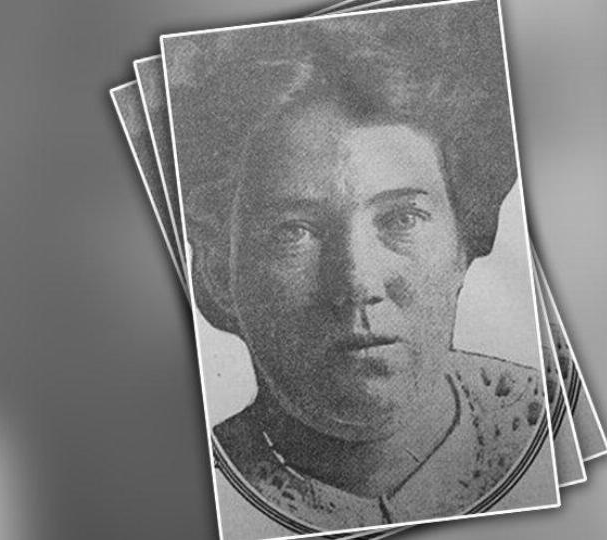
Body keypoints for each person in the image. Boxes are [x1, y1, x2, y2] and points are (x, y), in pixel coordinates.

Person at [181, 12, 549, 530]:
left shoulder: (554, 432)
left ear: (465, 242)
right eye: (293, 231)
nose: (356, 283)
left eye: (402, 219)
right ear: (219, 272)